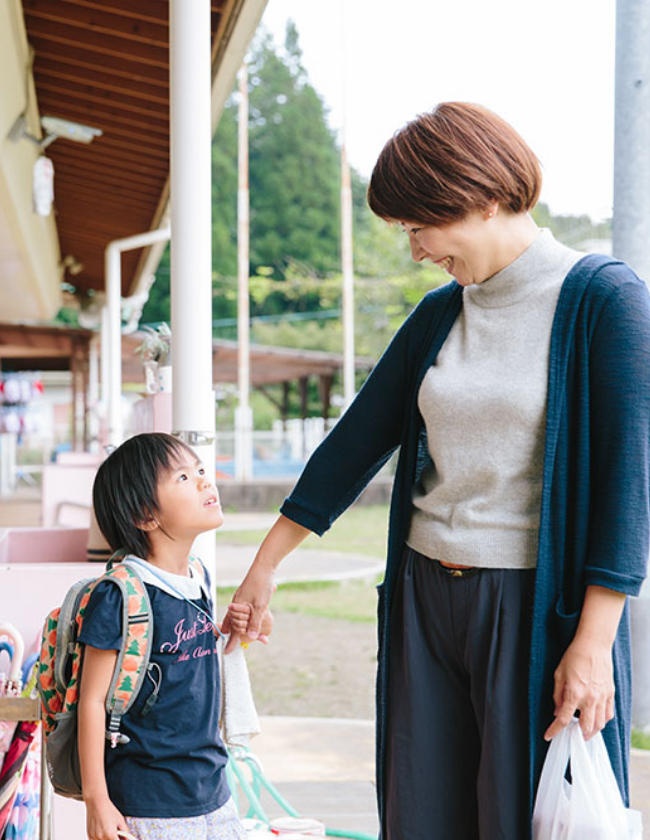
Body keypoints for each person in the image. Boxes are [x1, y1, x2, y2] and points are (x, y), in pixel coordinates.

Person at [227, 102, 650, 838]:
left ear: (482, 197)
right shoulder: (438, 314)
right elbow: (354, 444)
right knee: (421, 813)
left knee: (521, 817)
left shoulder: (606, 303)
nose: (417, 251)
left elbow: (629, 486)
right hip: (425, 598)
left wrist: (593, 644)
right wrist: (265, 568)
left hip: (529, 609)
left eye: (420, 227)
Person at [78, 433, 251, 840]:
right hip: (149, 800)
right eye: (184, 478)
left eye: (202, 471)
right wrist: (96, 801)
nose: (206, 481)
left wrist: (237, 633)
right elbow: (92, 702)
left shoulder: (197, 576)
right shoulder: (120, 595)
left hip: (213, 788)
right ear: (145, 515)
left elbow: (195, 666)